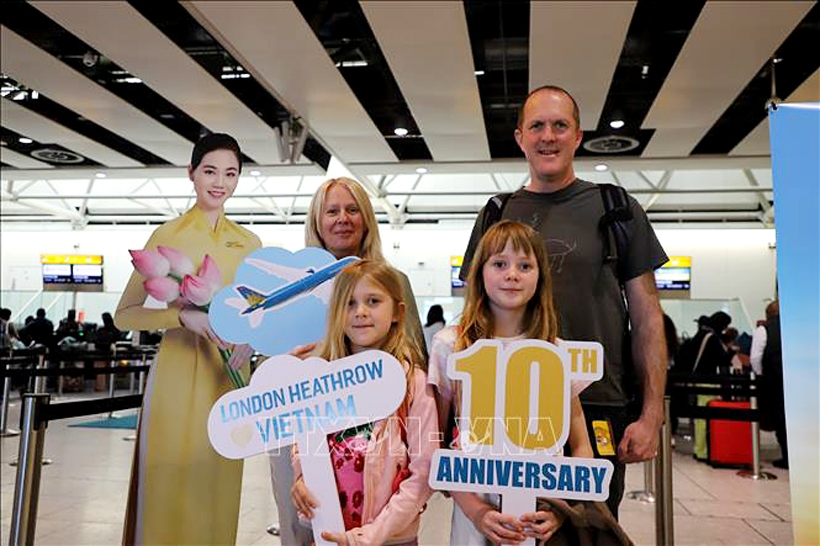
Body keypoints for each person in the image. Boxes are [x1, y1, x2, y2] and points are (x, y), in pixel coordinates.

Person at [459, 85, 668, 518]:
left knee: (587, 527)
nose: (548, 136)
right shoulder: (497, 213)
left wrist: (651, 414)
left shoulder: (616, 208)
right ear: (520, 138)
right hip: (507, 407)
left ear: (577, 136)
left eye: (560, 125)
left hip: (597, 403)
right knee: (514, 529)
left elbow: (648, 318)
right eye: (537, 126)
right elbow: (472, 316)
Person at [115, 133, 261, 545]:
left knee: (219, 484)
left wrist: (250, 339)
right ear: (191, 173)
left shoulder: (250, 244)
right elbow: (125, 315)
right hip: (176, 376)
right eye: (210, 171)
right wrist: (181, 317)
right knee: (169, 481)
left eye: (230, 174)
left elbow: (257, 313)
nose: (220, 182)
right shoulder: (168, 234)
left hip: (228, 378)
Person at [268, 176, 426, 546]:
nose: (343, 218)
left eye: (352, 209)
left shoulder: (394, 280)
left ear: (367, 218)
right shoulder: (293, 288)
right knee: (304, 520)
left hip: (378, 436)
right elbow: (272, 366)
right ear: (317, 221)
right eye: (332, 211)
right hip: (304, 427)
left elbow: (413, 352)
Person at [431, 221, 600, 544]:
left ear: (540, 276)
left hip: (541, 510)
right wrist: (476, 511)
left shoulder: (557, 352)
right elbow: (435, 442)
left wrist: (560, 507)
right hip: (474, 512)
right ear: (480, 272)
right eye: (499, 264)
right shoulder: (451, 345)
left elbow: (580, 444)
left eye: (525, 266)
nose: (512, 274)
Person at [290, 260, 437, 545]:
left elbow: (424, 472)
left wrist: (369, 536)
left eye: (373, 301)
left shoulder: (413, 383)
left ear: (398, 312)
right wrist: (300, 480)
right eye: (349, 303)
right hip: (326, 534)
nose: (360, 312)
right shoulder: (320, 380)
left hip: (390, 540)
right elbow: (303, 443)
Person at [754, 300, 788, 469]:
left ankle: (787, 457)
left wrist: (761, 375)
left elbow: (755, 358)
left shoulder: (764, 330)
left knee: (781, 418)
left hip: (775, 381)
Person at [93, 312, 122, 392]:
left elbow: (96, 341)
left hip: (101, 352)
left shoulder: (101, 330)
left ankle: (100, 387)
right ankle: (110, 386)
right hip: (112, 352)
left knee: (101, 371)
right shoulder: (115, 329)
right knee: (110, 370)